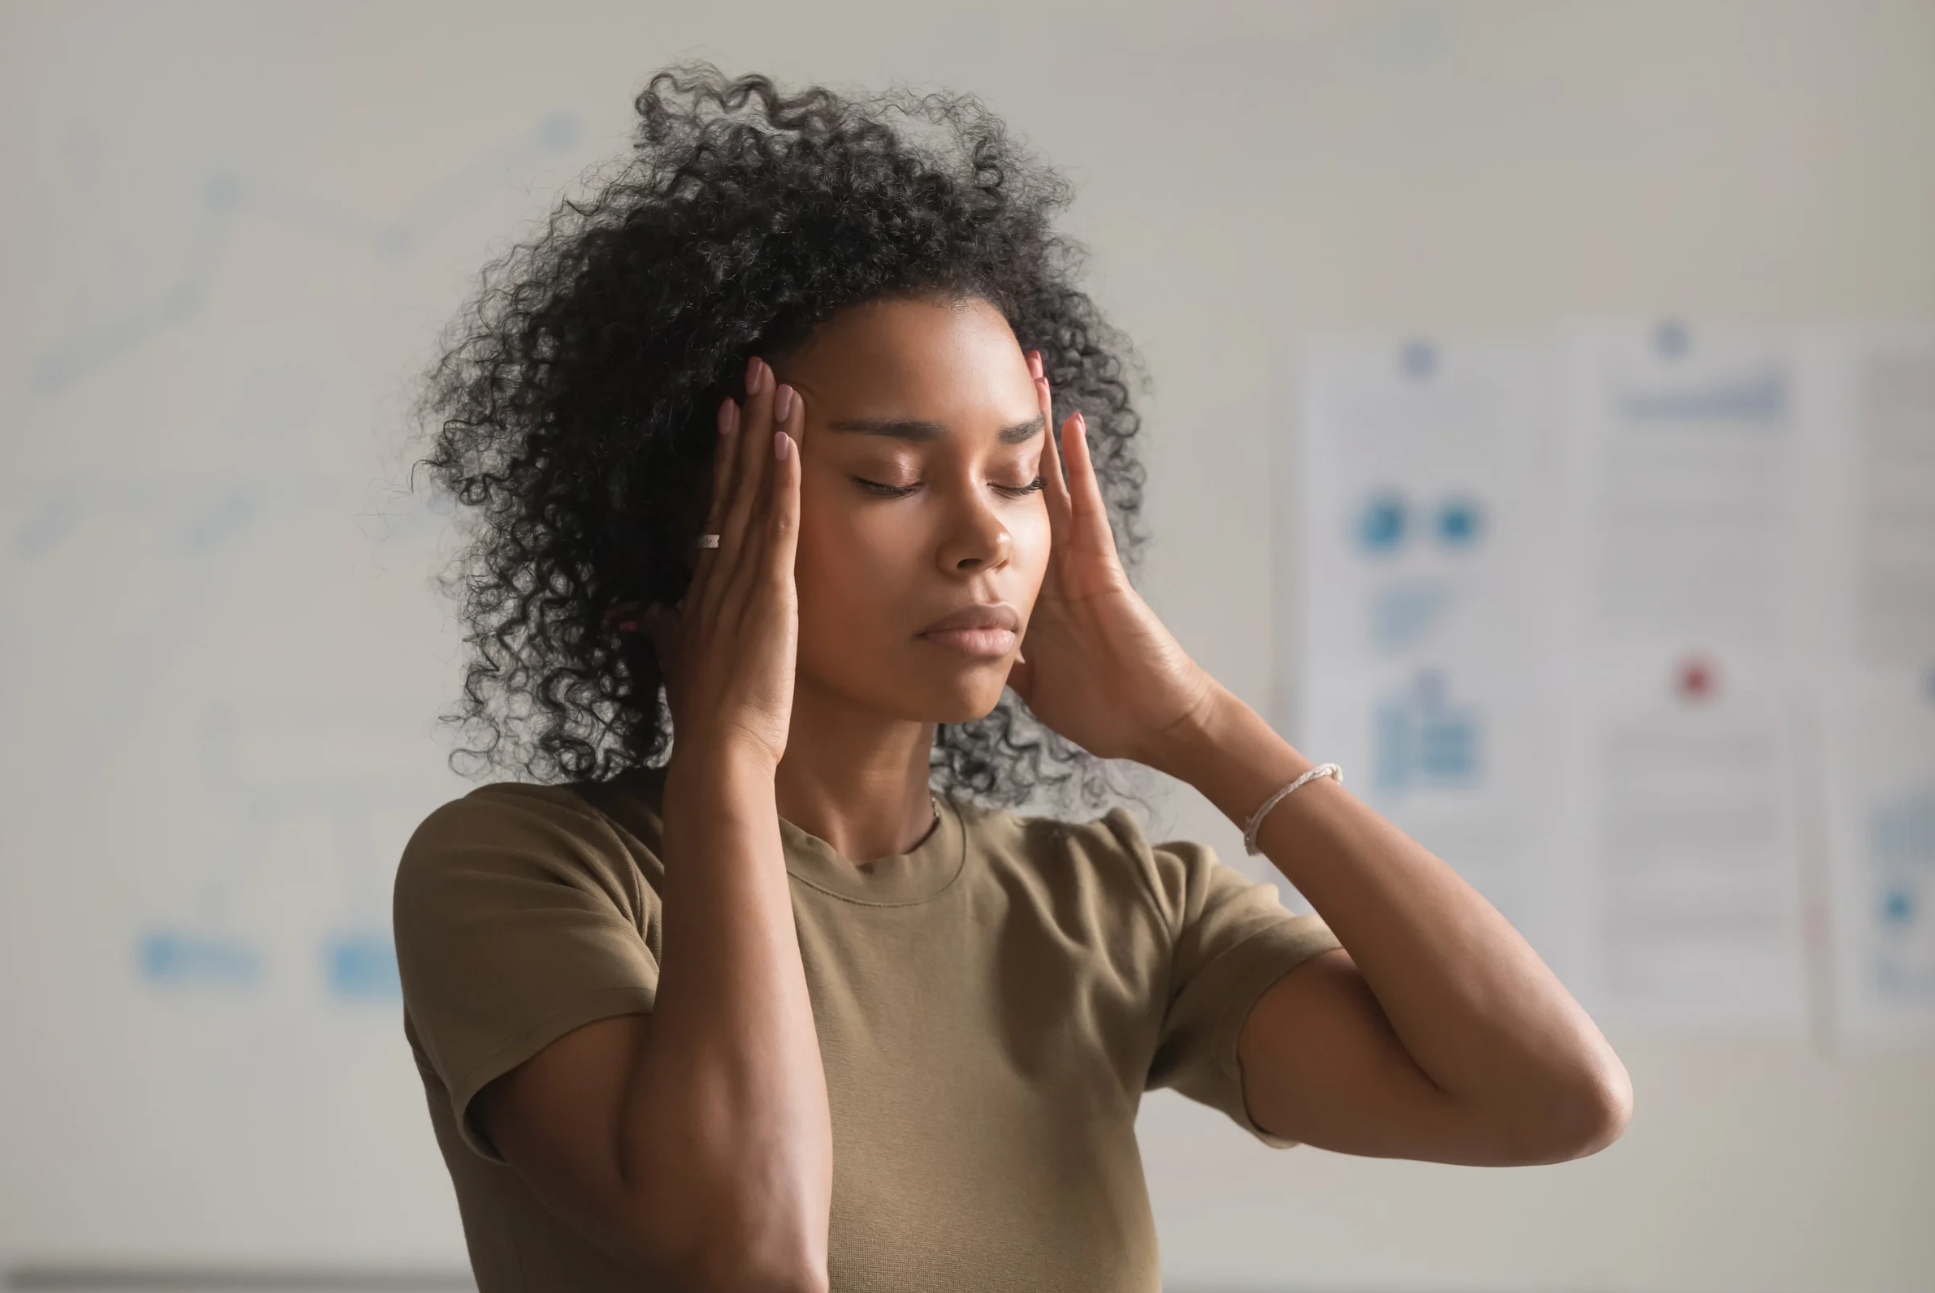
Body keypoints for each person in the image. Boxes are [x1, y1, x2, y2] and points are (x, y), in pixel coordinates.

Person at [393, 63, 1631, 1293]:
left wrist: (1201, 728)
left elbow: (1552, 1101)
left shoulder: (1108, 908)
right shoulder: (522, 873)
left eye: (1019, 474)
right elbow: (750, 1245)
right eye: (890, 477)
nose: (986, 537)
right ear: (684, 524)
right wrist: (728, 758)